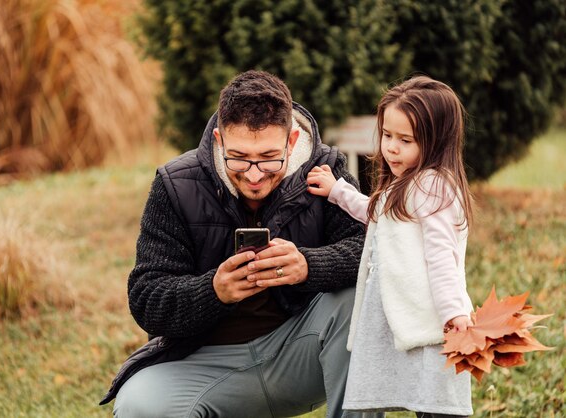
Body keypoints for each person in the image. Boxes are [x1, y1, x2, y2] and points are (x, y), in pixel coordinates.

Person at [100, 70, 376, 418]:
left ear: (292, 142)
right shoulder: (175, 184)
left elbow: (372, 250)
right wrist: (213, 291)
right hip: (208, 364)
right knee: (138, 405)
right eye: (240, 157)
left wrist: (309, 266)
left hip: (302, 354)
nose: (255, 174)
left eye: (269, 157)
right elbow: (146, 297)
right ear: (219, 139)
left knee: (359, 297)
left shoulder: (326, 169)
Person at [307, 75, 474, 417]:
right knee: (376, 395)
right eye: (387, 135)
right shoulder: (407, 184)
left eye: (405, 139)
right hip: (394, 313)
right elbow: (377, 213)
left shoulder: (433, 188)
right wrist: (337, 191)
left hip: (426, 319)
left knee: (433, 401)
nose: (391, 147)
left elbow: (443, 256)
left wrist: (453, 311)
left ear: (436, 141)